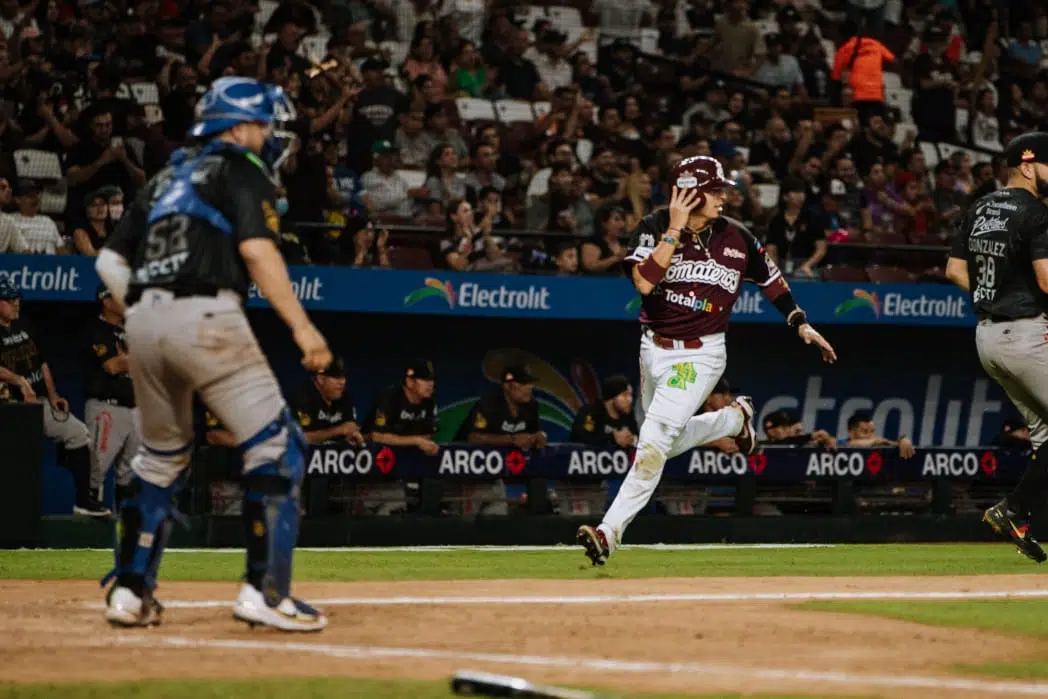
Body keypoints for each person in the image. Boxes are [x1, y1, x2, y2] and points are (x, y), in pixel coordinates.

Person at [94, 77, 334, 629]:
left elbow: (108, 263)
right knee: (276, 446)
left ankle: (129, 593)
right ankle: (266, 593)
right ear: (240, 124)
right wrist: (304, 330)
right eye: (265, 124)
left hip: (144, 322)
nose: (270, 135)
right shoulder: (239, 168)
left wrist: (148, 311)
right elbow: (256, 249)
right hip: (206, 315)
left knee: (159, 456)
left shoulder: (162, 179)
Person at [576, 155, 837, 566]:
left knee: (653, 442)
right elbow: (644, 281)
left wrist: (799, 322)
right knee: (658, 440)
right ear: (690, 193)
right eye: (715, 190)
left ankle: (609, 532)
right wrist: (675, 230)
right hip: (653, 348)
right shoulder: (653, 226)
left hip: (702, 353)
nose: (723, 197)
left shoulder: (737, 236)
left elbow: (771, 279)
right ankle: (733, 420)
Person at [945, 132, 1048, 564]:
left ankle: (1016, 512)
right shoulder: (1037, 212)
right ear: (1028, 166)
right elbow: (1046, 281)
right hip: (1026, 335)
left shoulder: (979, 207)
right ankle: (1013, 507)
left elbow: (953, 270)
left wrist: (993, 294)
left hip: (987, 338)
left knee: (1045, 436)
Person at [0, 279, 109, 517]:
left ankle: (83, 501)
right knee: (16, 464)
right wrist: (19, 381)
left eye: (17, 298)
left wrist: (53, 395)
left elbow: (43, 362)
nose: (16, 303)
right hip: (10, 409)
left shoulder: (24, 323)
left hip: (38, 403)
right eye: (10, 299)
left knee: (78, 434)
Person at [84, 284, 139, 507]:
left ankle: (125, 528)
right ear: (106, 301)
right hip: (107, 408)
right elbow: (112, 367)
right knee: (95, 471)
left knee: (130, 474)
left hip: (135, 409)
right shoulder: (95, 329)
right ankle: (88, 525)